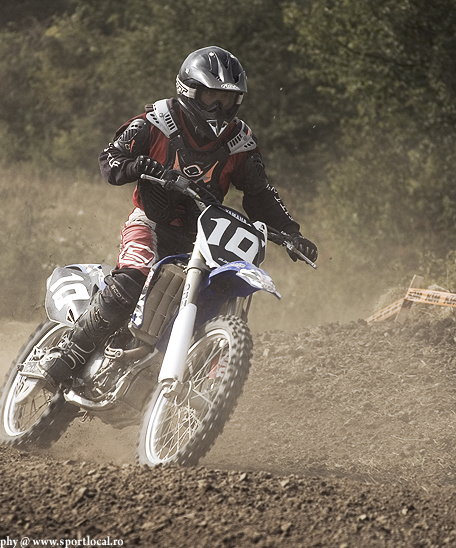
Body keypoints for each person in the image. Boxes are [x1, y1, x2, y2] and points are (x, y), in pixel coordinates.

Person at [20, 46, 317, 394]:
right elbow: (111, 159)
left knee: (214, 296)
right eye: (212, 96)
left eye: (227, 99)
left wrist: (291, 233)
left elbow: (260, 193)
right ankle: (69, 354)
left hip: (202, 238)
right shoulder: (156, 121)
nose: (219, 107)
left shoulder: (240, 143)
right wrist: (137, 165)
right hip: (150, 222)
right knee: (132, 279)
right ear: (189, 90)